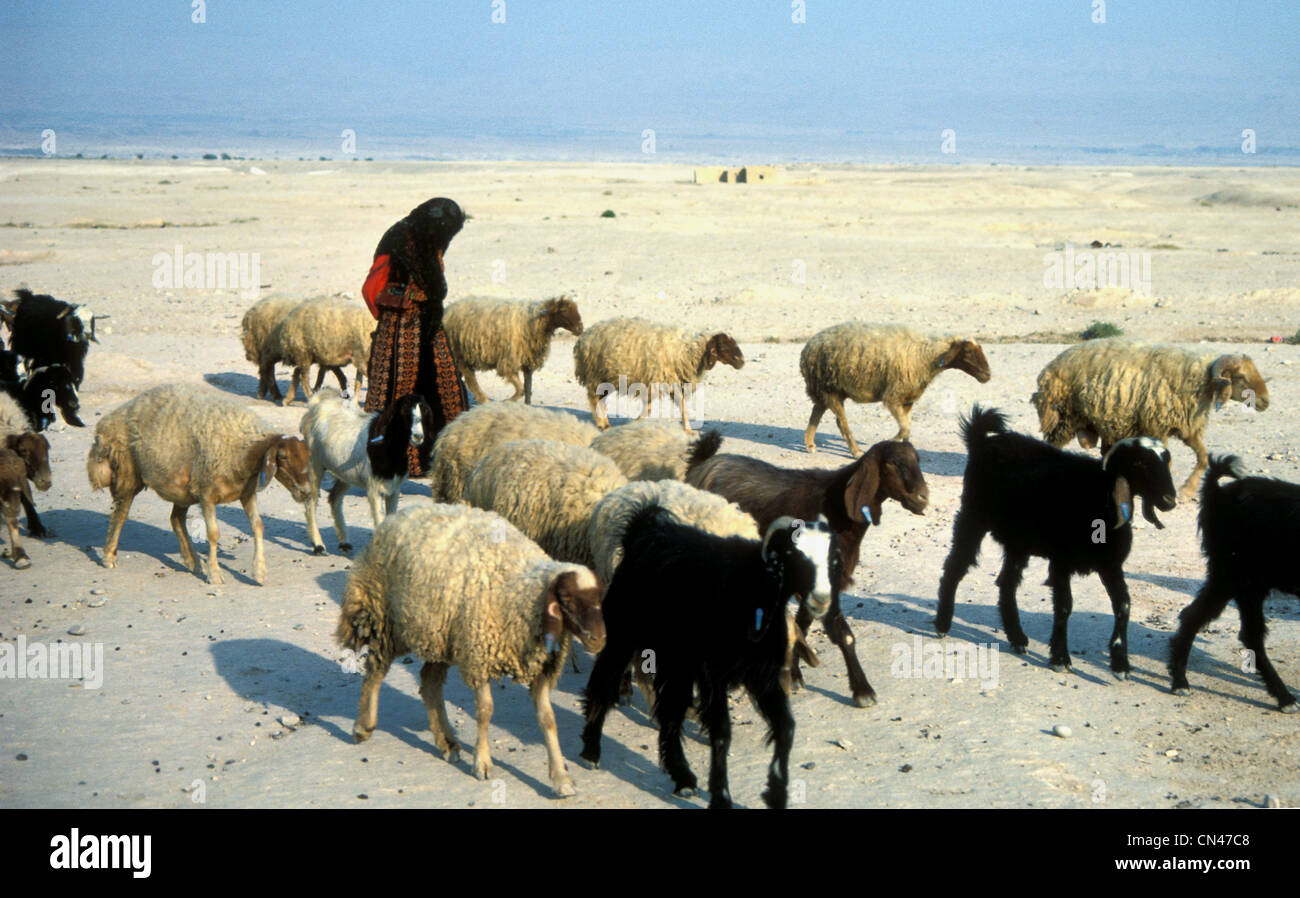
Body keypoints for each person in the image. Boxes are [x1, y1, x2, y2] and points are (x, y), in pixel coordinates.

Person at [362, 197, 468, 476]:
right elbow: (378, 282)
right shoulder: (403, 237)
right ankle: (395, 458)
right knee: (398, 387)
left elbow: (435, 283)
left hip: (428, 319)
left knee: (445, 383)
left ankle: (448, 456)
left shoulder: (427, 233)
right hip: (401, 320)